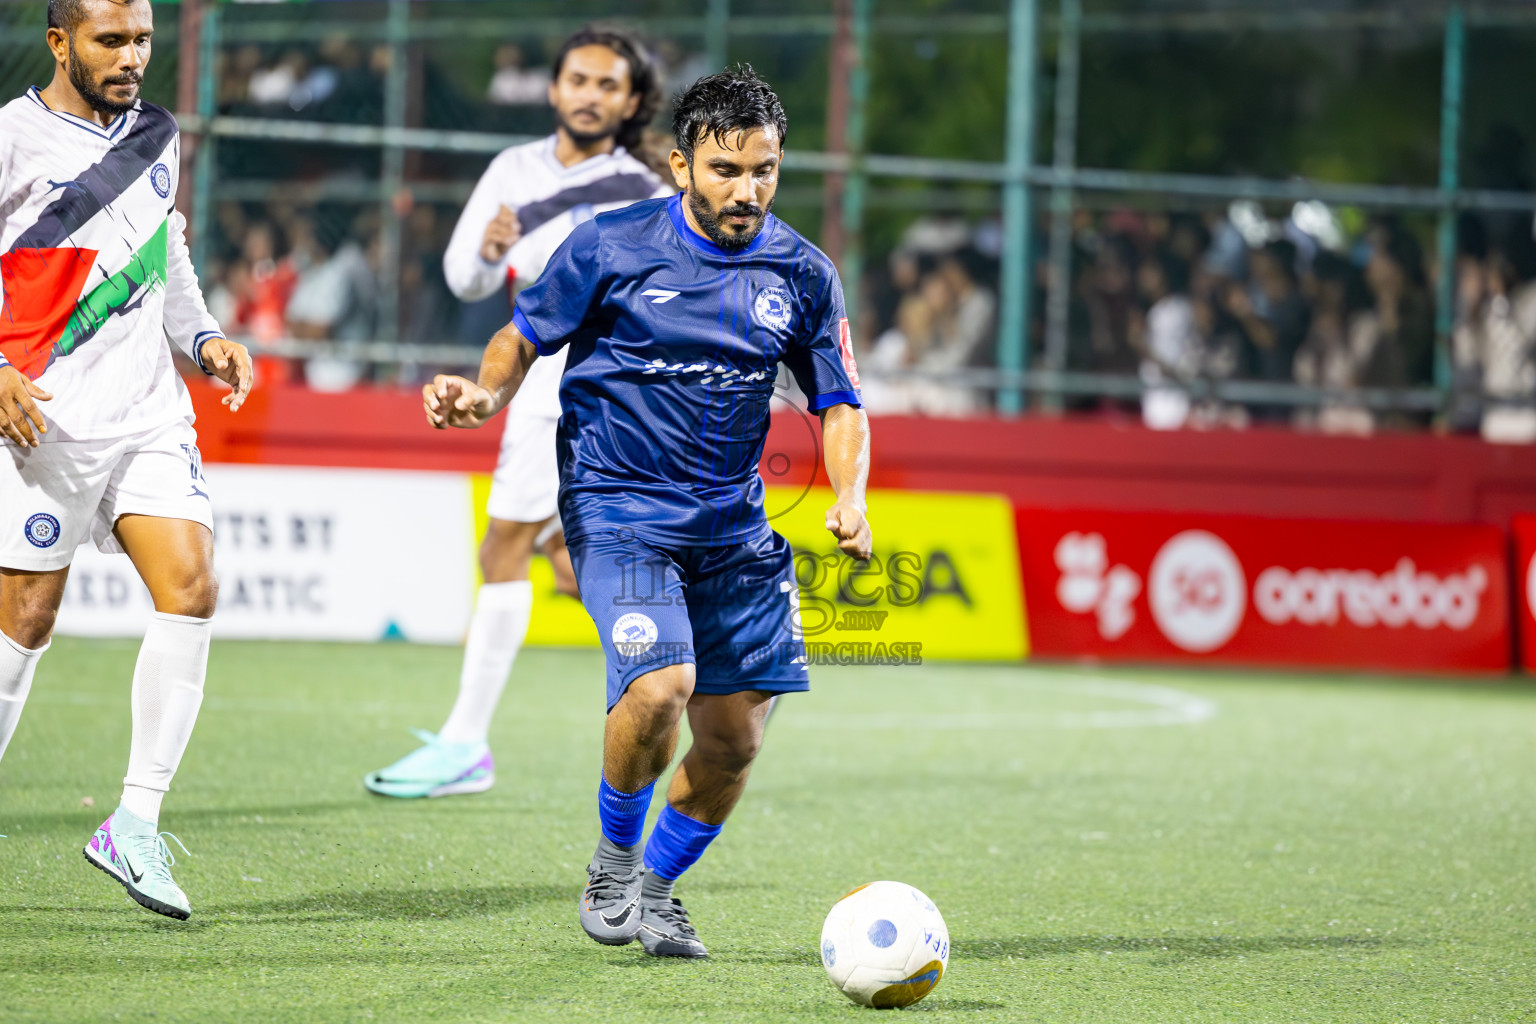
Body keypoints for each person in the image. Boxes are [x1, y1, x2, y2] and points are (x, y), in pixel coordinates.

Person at [421, 66, 871, 958]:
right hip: (616, 508)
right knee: (660, 687)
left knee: (736, 739)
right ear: (679, 166)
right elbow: (522, 332)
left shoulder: (805, 274)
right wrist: (485, 394)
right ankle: (616, 861)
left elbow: (840, 402)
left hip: (735, 530)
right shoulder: (609, 245)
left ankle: (660, 888)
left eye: (765, 171)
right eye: (726, 170)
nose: (747, 191)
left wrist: (850, 494)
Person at [364, 25, 670, 799]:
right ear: (554, 87)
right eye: (579, 80)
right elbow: (464, 279)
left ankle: (467, 744)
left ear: (630, 101)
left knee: (504, 550)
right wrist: (491, 249)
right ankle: (684, 672)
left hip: (596, 384)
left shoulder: (647, 190)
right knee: (565, 557)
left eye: (608, 85)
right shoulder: (512, 169)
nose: (591, 95)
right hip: (534, 378)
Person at [0, 0, 254, 920]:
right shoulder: (13, 138)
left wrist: (204, 335)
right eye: (112, 40)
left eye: (143, 38)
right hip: (46, 419)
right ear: (60, 42)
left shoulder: (157, 133)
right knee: (27, 620)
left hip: (151, 411)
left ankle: (134, 824)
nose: (133, 56)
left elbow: (166, 244)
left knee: (191, 587)